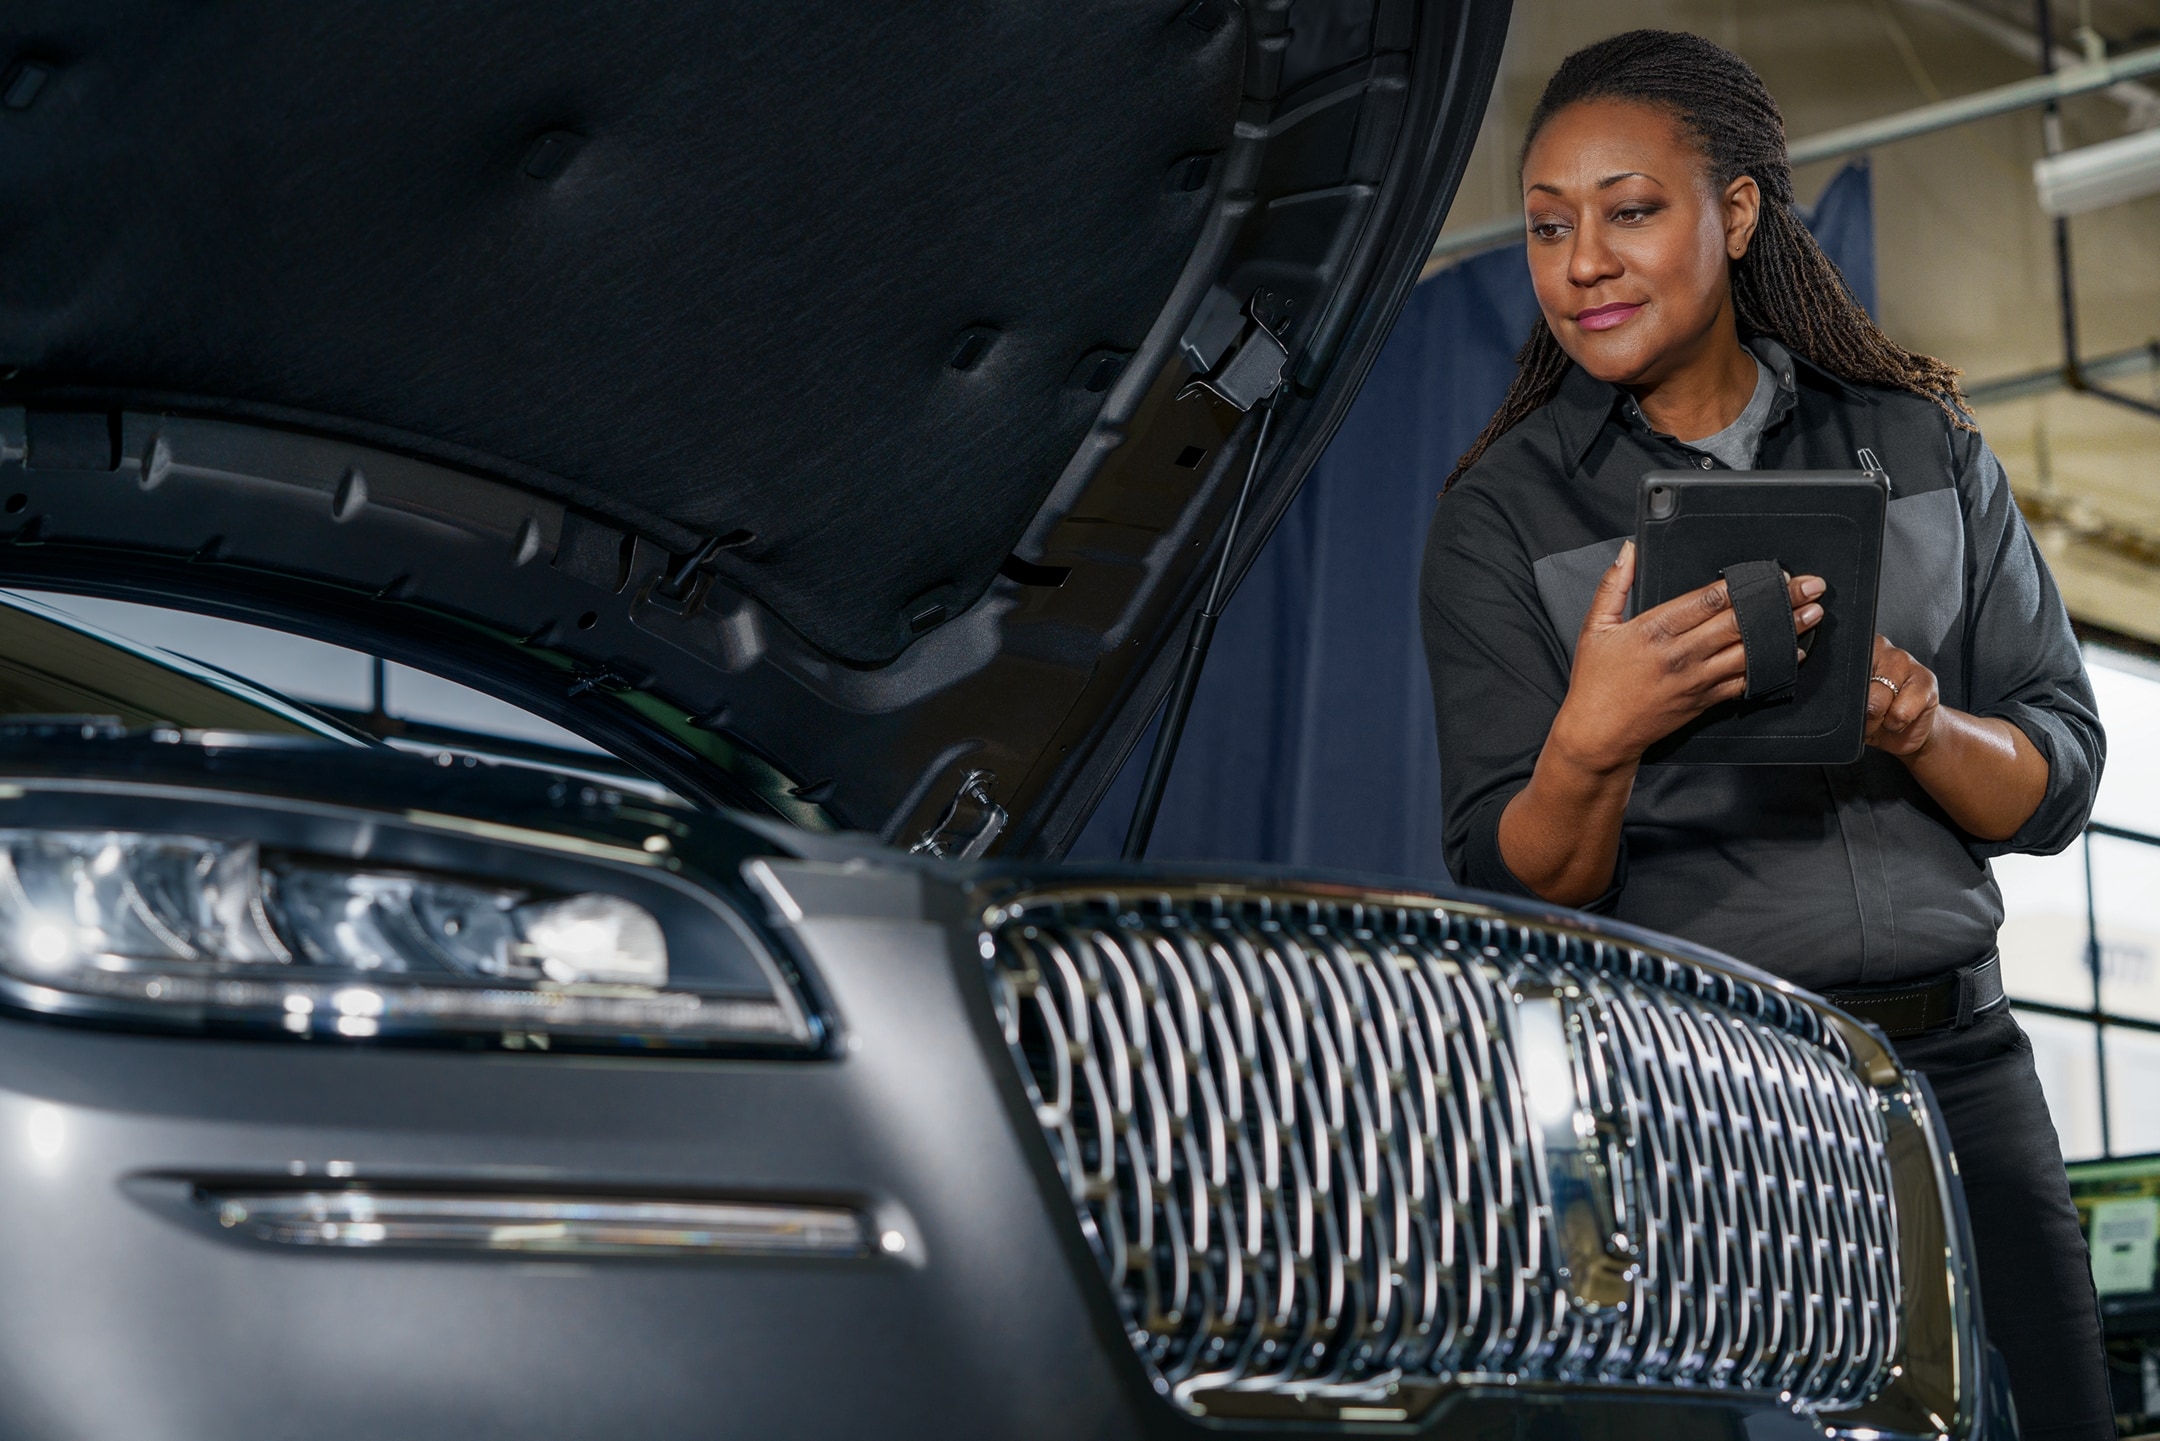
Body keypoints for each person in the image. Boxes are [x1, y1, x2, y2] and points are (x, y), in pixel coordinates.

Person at [1420, 28, 2111, 1441]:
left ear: (1734, 215)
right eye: (1550, 226)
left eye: (1630, 210)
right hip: (1696, 1099)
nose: (1583, 262)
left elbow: (2059, 774)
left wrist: (1922, 724)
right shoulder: (1499, 519)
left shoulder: (1922, 447)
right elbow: (1519, 874)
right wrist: (1593, 739)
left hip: (1962, 1078)